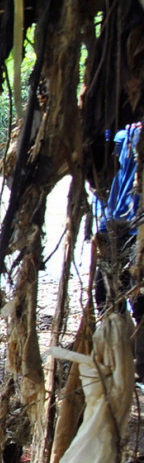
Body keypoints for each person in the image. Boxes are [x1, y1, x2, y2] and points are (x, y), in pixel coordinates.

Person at [93, 121, 144, 379]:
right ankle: (121, 357)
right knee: (104, 294)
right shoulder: (112, 131)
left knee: (137, 296)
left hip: (136, 229)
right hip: (112, 225)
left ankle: (137, 366)